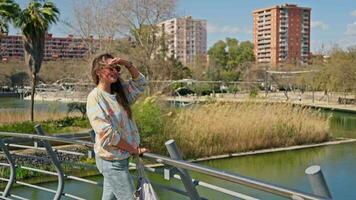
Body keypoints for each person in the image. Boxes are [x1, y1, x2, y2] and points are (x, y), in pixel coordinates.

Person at [86, 53, 148, 200]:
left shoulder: (120, 93)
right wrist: (134, 150)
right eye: (110, 68)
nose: (115, 71)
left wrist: (127, 63)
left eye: (117, 68)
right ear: (98, 72)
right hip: (111, 161)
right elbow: (107, 134)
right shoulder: (95, 97)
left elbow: (141, 83)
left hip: (120, 158)